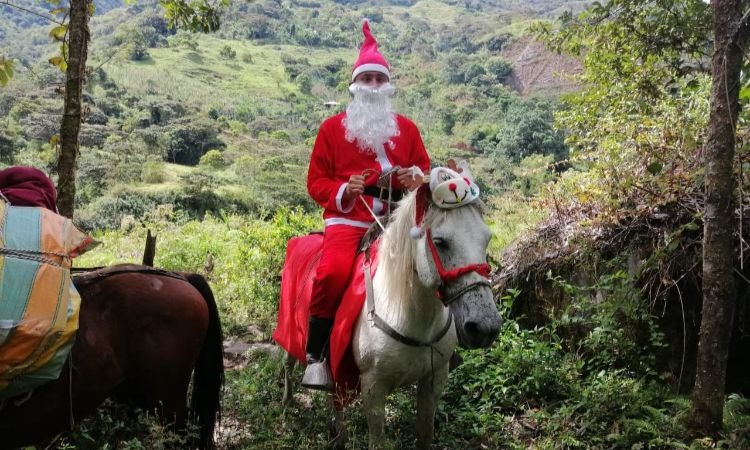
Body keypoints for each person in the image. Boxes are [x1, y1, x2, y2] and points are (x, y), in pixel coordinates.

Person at [303, 20, 431, 391]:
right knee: (331, 273)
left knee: (436, 261)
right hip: (349, 220)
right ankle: (318, 357)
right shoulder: (331, 129)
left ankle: (441, 346)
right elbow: (315, 182)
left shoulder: (406, 128)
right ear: (355, 86)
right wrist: (345, 188)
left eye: (379, 79)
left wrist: (416, 179)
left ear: (387, 85)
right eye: (367, 79)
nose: (373, 86)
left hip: (397, 218)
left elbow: (423, 168)